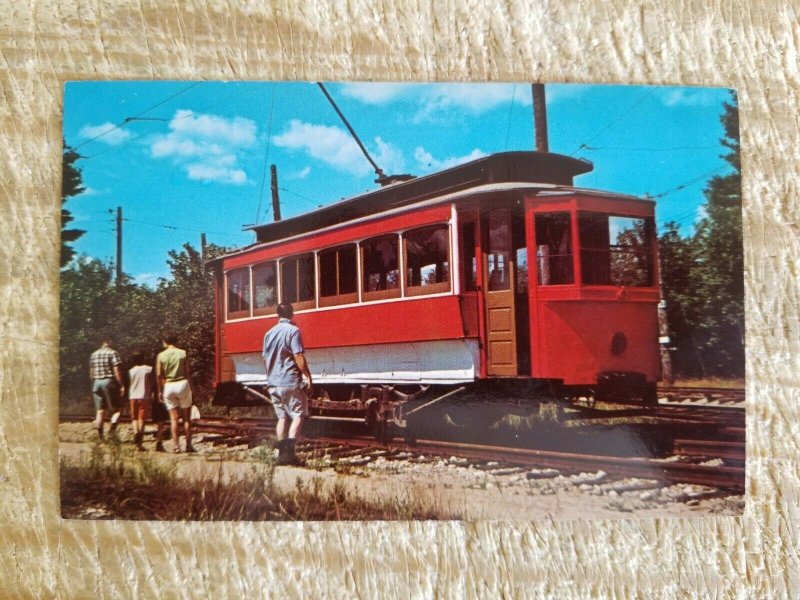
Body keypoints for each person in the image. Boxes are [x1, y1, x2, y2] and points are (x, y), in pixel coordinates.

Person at [262, 303, 313, 465]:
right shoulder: (293, 331)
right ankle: (289, 454)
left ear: (278, 315)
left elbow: (266, 357)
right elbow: (298, 356)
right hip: (289, 381)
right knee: (298, 414)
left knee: (282, 417)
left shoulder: (268, 333)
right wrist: (307, 376)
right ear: (292, 314)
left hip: (273, 382)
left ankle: (280, 454)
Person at [156, 333, 195, 453]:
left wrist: (160, 390)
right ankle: (188, 445)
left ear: (166, 342)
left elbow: (159, 374)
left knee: (174, 419)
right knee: (187, 419)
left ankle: (176, 446)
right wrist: (192, 387)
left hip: (169, 385)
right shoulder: (183, 353)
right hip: (182, 383)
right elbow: (188, 372)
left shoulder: (161, 355)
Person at [128, 350, 166, 451]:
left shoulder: (131, 370)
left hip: (132, 396)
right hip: (144, 396)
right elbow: (152, 382)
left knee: (134, 418)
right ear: (143, 358)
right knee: (142, 418)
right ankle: (140, 434)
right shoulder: (148, 369)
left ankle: (136, 432)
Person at [89, 334, 125, 439]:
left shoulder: (94, 354)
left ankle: (100, 436)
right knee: (117, 409)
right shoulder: (113, 353)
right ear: (108, 341)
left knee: (100, 411)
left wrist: (93, 383)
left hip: (96, 383)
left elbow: (91, 372)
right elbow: (116, 370)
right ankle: (111, 432)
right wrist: (121, 384)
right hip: (109, 383)